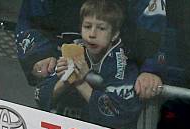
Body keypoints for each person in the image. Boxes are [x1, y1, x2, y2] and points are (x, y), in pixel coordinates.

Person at [16, 0, 164, 102]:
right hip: (61, 80)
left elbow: (154, 28)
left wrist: (150, 69)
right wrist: (39, 55)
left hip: (119, 80)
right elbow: (30, 21)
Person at [36, 0, 143, 129]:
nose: (92, 34)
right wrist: (64, 80)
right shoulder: (73, 50)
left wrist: (81, 82)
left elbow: (118, 116)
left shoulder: (123, 62)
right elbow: (40, 96)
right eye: (87, 26)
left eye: (101, 28)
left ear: (114, 34)